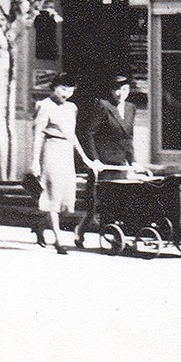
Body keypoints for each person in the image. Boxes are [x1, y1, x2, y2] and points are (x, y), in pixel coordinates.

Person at [29, 73, 98, 254]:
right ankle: (58, 240)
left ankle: (40, 226)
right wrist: (35, 161)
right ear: (54, 87)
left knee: (65, 201)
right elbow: (38, 134)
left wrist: (84, 158)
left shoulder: (72, 108)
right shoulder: (45, 105)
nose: (66, 93)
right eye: (63, 89)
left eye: (70, 90)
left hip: (66, 153)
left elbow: (72, 135)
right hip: (51, 149)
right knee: (53, 195)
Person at [74, 74, 140, 246]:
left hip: (120, 163)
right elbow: (89, 133)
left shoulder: (131, 108)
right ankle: (80, 231)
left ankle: (116, 236)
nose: (120, 93)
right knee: (96, 204)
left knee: (119, 201)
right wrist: (94, 160)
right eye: (116, 89)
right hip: (103, 163)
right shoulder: (103, 105)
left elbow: (128, 137)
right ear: (111, 91)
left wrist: (132, 160)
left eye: (124, 89)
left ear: (128, 90)